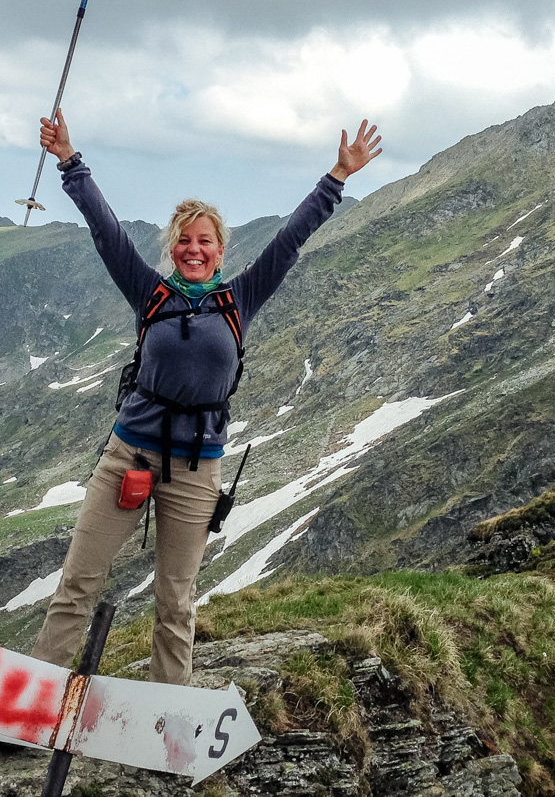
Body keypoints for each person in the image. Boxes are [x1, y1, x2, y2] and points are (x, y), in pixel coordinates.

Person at [30, 109, 382, 685]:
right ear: (172, 250)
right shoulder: (150, 291)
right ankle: (33, 693)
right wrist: (69, 158)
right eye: (184, 242)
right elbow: (105, 230)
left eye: (205, 242)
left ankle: (166, 713)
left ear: (221, 250)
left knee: (175, 601)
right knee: (79, 584)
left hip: (197, 470)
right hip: (128, 457)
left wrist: (336, 178)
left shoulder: (239, 299)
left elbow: (291, 240)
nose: (194, 250)